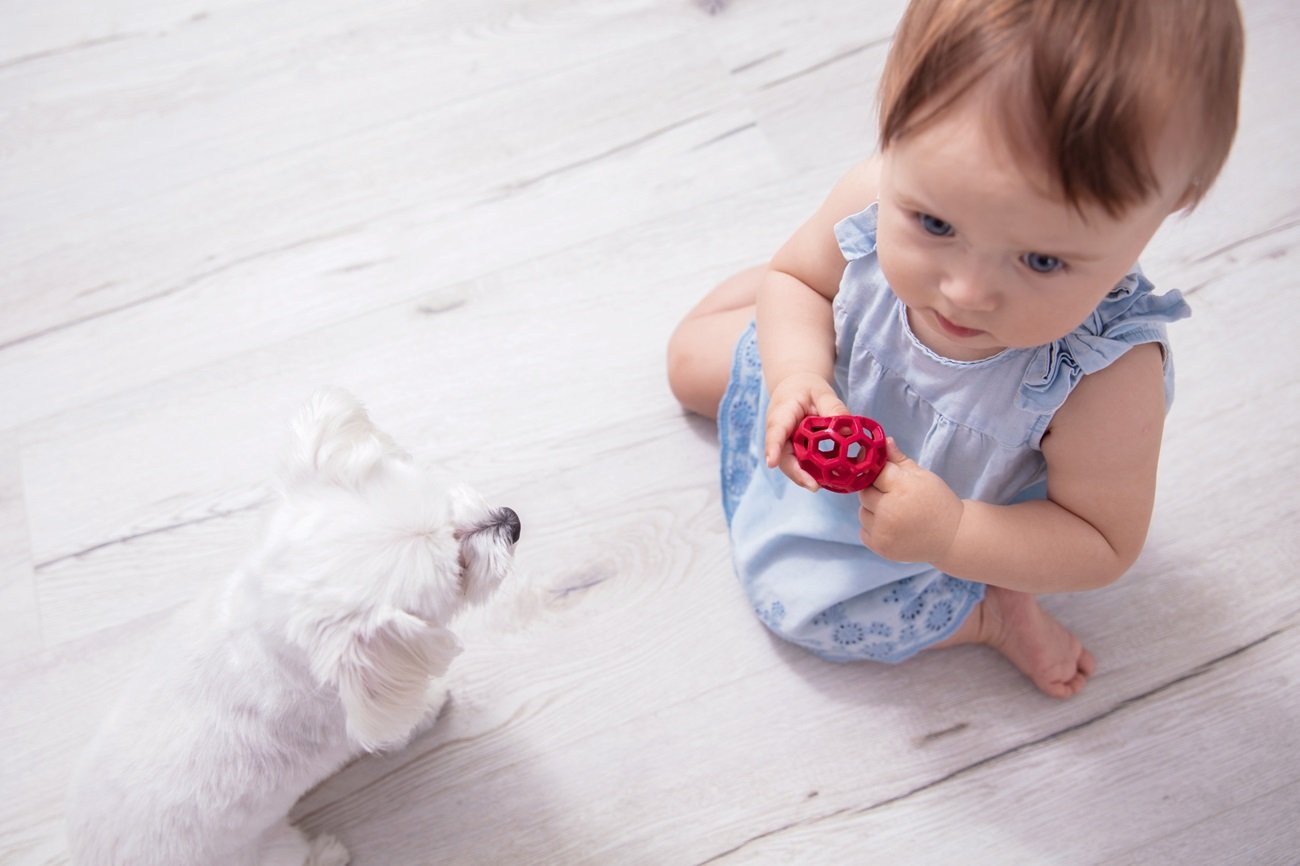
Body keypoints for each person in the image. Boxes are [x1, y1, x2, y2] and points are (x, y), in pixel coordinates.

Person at [666, 0, 1243, 698]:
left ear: (1164, 211)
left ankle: (987, 614)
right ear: (896, 126)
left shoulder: (1109, 383)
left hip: (956, 508)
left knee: (802, 607)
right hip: (841, 386)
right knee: (691, 359)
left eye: (1042, 261)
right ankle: (846, 301)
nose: (965, 293)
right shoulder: (873, 195)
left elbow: (1101, 542)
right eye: (935, 221)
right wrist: (796, 371)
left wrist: (952, 535)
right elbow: (794, 278)